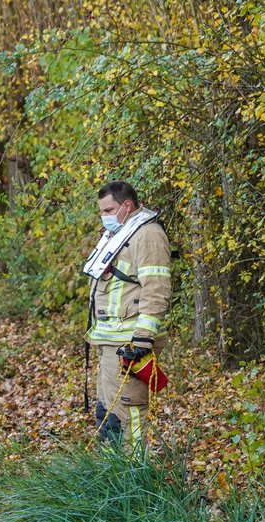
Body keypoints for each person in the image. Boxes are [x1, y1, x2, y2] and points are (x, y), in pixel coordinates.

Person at [84, 180, 172, 450]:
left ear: (127, 205)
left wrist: (143, 338)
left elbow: (156, 288)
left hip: (130, 341)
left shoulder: (147, 235)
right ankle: (111, 465)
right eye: (102, 211)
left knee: (128, 408)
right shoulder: (120, 234)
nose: (104, 217)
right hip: (111, 338)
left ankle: (132, 468)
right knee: (107, 408)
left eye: (108, 210)